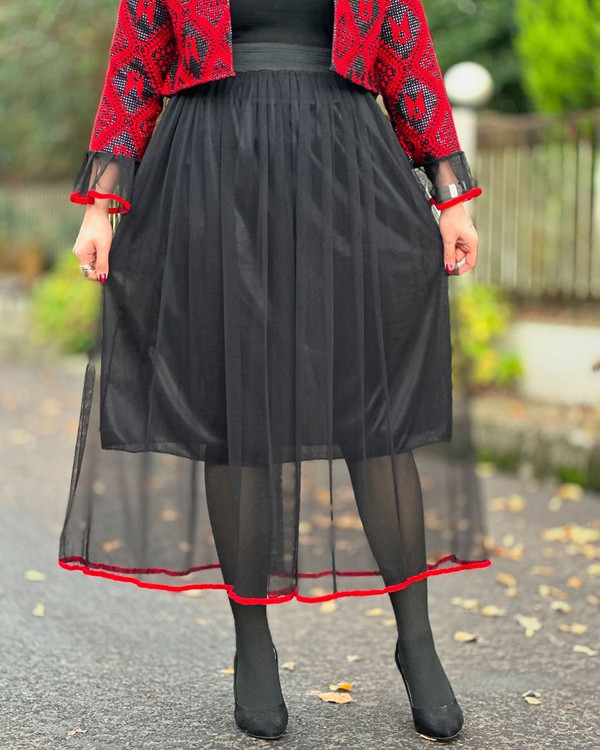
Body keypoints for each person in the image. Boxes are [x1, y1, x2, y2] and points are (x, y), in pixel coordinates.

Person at [62, 0, 491, 742]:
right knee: (236, 405)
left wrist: (450, 195)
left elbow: (406, 51)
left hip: (346, 159)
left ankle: (417, 642)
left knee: (373, 407)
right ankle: (252, 642)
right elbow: (137, 55)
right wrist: (101, 204)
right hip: (210, 164)